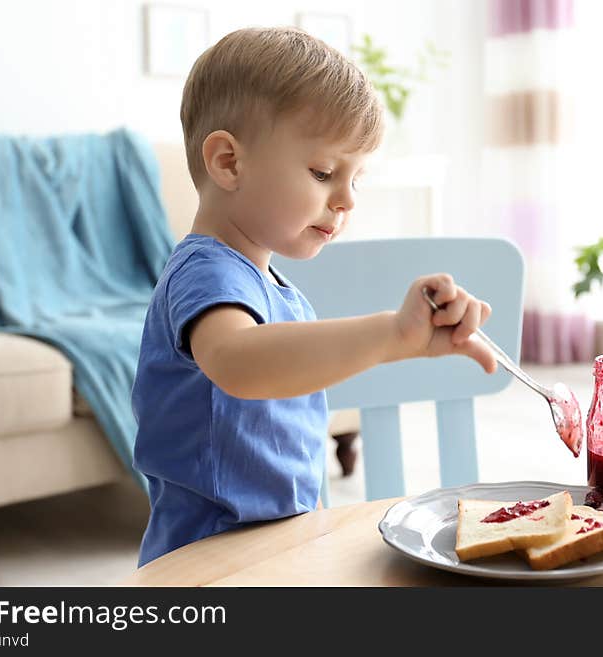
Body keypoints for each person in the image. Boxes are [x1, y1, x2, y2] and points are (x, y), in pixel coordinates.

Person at [131, 26, 497, 567]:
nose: (347, 199)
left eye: (356, 178)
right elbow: (239, 362)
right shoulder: (204, 272)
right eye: (324, 172)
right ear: (228, 162)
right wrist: (392, 335)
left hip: (277, 551)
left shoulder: (280, 292)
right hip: (206, 563)